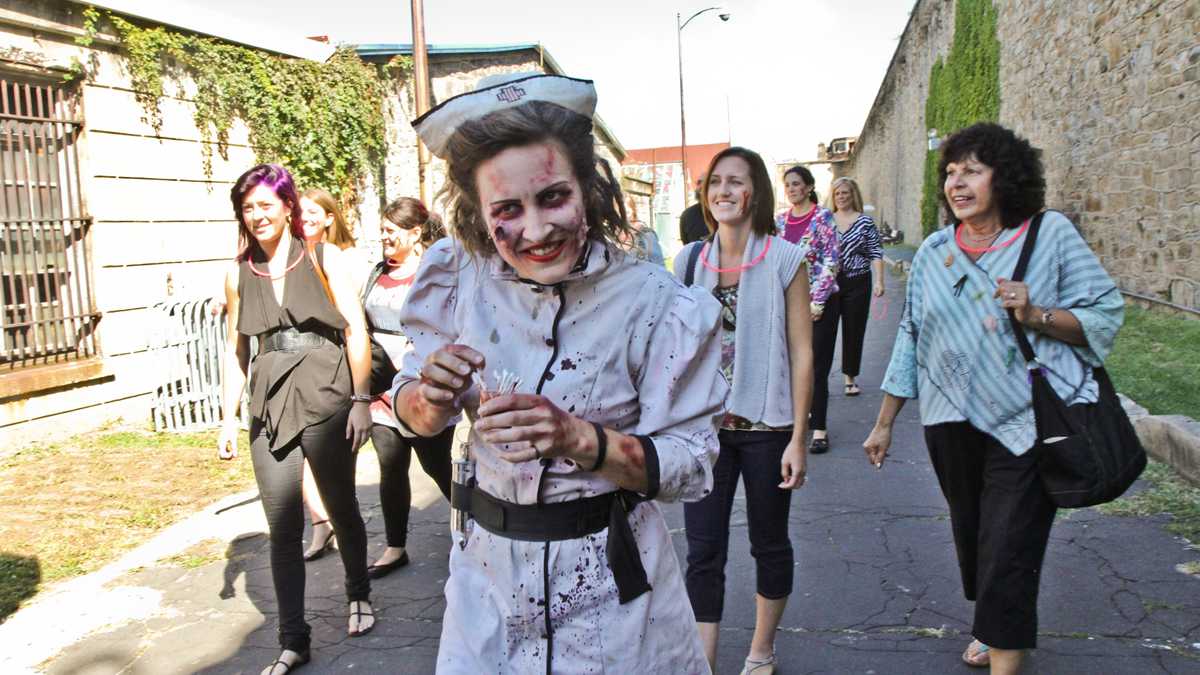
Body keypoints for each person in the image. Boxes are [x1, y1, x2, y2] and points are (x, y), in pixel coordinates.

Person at [389, 72, 727, 673]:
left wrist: (578, 438)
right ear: (478, 212)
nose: (536, 230)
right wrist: (429, 398)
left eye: (552, 198)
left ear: (588, 188)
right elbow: (413, 411)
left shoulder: (654, 302)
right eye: (507, 209)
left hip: (615, 607)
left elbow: (693, 464)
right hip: (486, 598)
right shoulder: (458, 277)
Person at [862, 123, 1123, 675]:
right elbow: (912, 334)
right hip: (949, 420)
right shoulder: (934, 252)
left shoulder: (1048, 235)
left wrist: (1036, 314)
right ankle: (994, 620)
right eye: (951, 173)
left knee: (1010, 542)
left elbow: (1105, 313)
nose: (957, 183)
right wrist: (885, 421)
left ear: (1004, 178)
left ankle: (1004, 644)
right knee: (976, 532)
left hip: (1027, 420)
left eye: (972, 171)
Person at [218, 165, 376, 675]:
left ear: (288, 207)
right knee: (282, 525)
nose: (257, 215)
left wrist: (360, 400)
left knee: (341, 504)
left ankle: (358, 593)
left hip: (326, 393)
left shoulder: (324, 256)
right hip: (268, 404)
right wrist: (227, 418)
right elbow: (236, 351)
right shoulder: (237, 273)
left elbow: (354, 331)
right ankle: (293, 640)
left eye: (266, 205)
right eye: (248, 208)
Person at [678, 147, 814, 675]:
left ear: (755, 191)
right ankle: (704, 661)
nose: (724, 191)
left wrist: (798, 437)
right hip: (705, 432)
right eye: (716, 182)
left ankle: (761, 650)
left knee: (769, 543)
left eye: (735, 181)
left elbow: (802, 352)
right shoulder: (689, 262)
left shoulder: (785, 259)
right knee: (703, 552)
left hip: (767, 427)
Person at [360, 196, 453, 578]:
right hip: (381, 389)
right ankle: (395, 547)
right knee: (390, 466)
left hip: (421, 386)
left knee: (438, 467)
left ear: (415, 233)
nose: (384, 236)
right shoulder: (376, 273)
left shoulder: (433, 271)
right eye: (382, 230)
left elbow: (446, 322)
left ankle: (476, 529)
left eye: (391, 230)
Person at [296, 187, 356, 563]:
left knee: (334, 459)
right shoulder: (285, 257)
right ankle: (321, 523)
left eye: (313, 211)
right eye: (299, 211)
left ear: (329, 218)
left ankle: (346, 528)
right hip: (298, 367)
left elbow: (354, 321)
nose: (305, 218)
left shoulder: (337, 257)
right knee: (301, 454)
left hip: (335, 362)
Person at [776, 166, 839, 455]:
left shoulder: (823, 217)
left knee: (816, 366)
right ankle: (795, 422)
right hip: (788, 303)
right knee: (790, 364)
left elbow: (831, 260)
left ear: (809, 187)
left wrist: (818, 300)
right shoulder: (779, 221)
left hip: (819, 304)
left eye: (796, 184)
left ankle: (820, 428)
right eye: (788, 185)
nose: (791, 189)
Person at [828, 177, 884, 400]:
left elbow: (875, 251)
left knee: (854, 330)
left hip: (858, 281)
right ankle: (819, 378)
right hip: (830, 284)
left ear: (853, 195)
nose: (841, 197)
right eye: (837, 193)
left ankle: (850, 378)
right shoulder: (826, 220)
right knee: (824, 333)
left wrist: (880, 280)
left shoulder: (865, 222)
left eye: (845, 193)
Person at [679, 178, 709, 245]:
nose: (701, 186)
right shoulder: (687, 215)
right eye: (699, 182)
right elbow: (687, 244)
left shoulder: (724, 214)